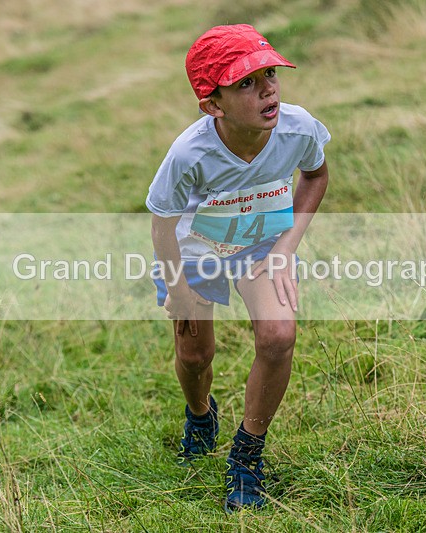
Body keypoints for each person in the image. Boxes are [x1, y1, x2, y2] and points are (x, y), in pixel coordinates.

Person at [145, 23, 330, 512]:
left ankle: (247, 455)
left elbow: (315, 173)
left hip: (260, 241)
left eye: (269, 73)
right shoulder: (189, 153)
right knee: (194, 355)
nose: (268, 88)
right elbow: (162, 225)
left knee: (277, 336)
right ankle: (201, 414)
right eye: (246, 83)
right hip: (196, 247)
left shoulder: (297, 128)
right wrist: (178, 286)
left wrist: (285, 249)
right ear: (213, 105)